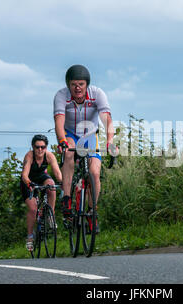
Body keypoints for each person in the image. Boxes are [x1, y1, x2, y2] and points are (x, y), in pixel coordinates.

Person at [53, 64, 117, 233]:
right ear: (68, 85)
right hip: (70, 134)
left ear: (86, 84)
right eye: (74, 84)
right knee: (68, 153)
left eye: (81, 84)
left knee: (95, 173)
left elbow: (107, 121)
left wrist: (110, 142)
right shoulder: (61, 96)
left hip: (89, 136)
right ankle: (67, 198)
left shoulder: (98, 94)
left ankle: (92, 213)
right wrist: (62, 141)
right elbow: (59, 122)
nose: (77, 88)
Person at [21, 134, 62, 251]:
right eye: (37, 147)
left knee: (51, 184)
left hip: (42, 177)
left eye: (42, 147)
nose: (40, 150)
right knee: (33, 210)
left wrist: (64, 184)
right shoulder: (29, 156)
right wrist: (29, 183)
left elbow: (58, 174)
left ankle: (50, 214)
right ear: (33, 147)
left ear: (46, 147)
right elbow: (24, 174)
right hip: (28, 181)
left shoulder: (49, 156)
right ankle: (30, 237)